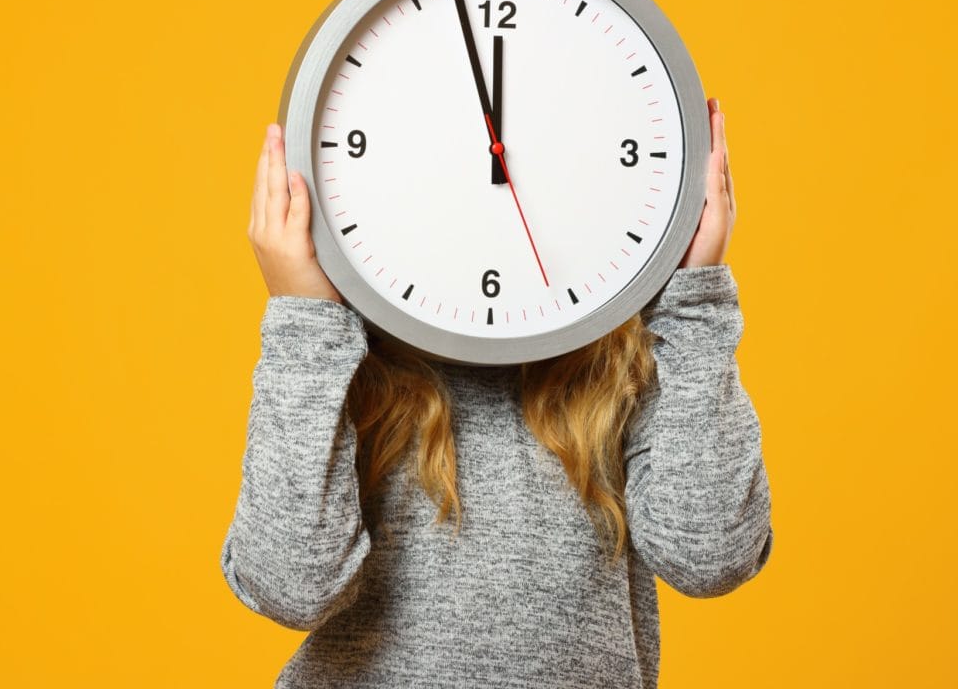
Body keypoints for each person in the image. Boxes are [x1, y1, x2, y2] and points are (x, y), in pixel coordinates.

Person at [220, 97, 773, 688]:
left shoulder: (624, 364)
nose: (494, 168)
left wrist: (694, 298)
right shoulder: (344, 360)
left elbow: (710, 556)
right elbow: (291, 586)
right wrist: (304, 318)